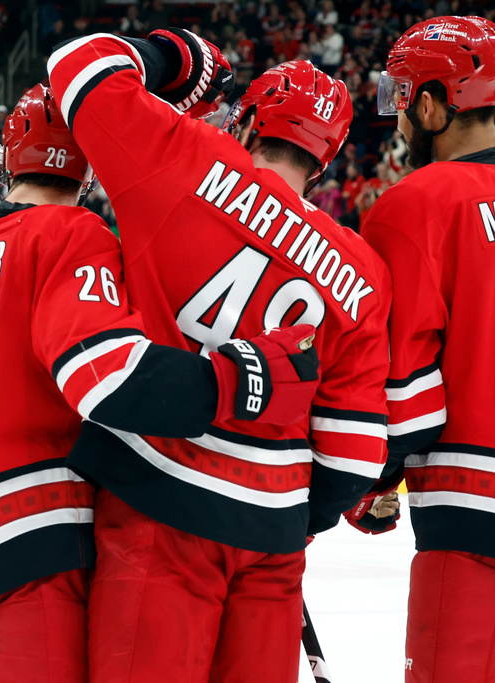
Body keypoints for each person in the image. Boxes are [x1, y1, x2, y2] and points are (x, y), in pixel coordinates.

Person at [0, 85, 320, 682]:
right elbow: (112, 381)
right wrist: (243, 375)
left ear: (6, 157)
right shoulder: (75, 236)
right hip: (30, 550)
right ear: (91, 169)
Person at [46, 30, 392, 681]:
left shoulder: (188, 158)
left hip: (156, 511)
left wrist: (183, 57)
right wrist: (285, 518)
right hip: (272, 541)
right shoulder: (363, 271)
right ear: (325, 161)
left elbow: (77, 64)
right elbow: (354, 457)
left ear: (250, 121)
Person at [357, 16, 495, 683]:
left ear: (437, 103)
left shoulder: (416, 203)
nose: (402, 122)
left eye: (404, 101)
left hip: (472, 522)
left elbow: (403, 388)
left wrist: (369, 485)